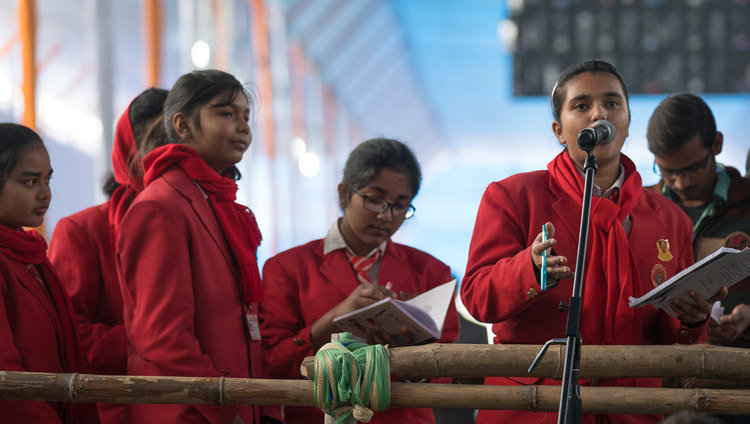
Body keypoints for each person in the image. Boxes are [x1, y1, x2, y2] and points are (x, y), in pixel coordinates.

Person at [461, 60, 726, 424]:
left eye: (612, 103)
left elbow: (668, 338)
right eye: (581, 105)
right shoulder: (513, 196)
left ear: (628, 121)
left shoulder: (671, 219)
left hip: (632, 410)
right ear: (558, 129)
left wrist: (693, 321)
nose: (599, 113)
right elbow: (476, 298)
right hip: (534, 406)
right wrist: (529, 268)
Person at [259, 137, 459, 424]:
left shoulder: (431, 271)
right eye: (374, 199)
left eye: (400, 206)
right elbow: (271, 364)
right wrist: (333, 320)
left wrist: (411, 361)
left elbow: (448, 366)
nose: (386, 216)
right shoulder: (287, 268)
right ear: (343, 194)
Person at [116, 70, 274, 424]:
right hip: (190, 413)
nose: (244, 127)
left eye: (246, 117)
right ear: (184, 126)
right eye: (227, 114)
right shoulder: (159, 207)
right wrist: (225, 411)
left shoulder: (217, 204)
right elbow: (163, 337)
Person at [48, 87, 167, 423]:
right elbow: (72, 337)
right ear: (129, 152)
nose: (168, 157)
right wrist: (160, 340)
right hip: (119, 410)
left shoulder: (207, 226)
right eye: (157, 145)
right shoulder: (83, 232)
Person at [0, 123, 99, 422]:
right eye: (30, 182)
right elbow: (6, 377)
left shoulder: (31, 255)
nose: (45, 194)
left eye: (47, 180)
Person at [647, 93, 750, 348]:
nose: (682, 183)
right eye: (668, 171)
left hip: (735, 377)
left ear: (716, 143)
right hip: (659, 376)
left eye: (693, 168)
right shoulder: (639, 209)